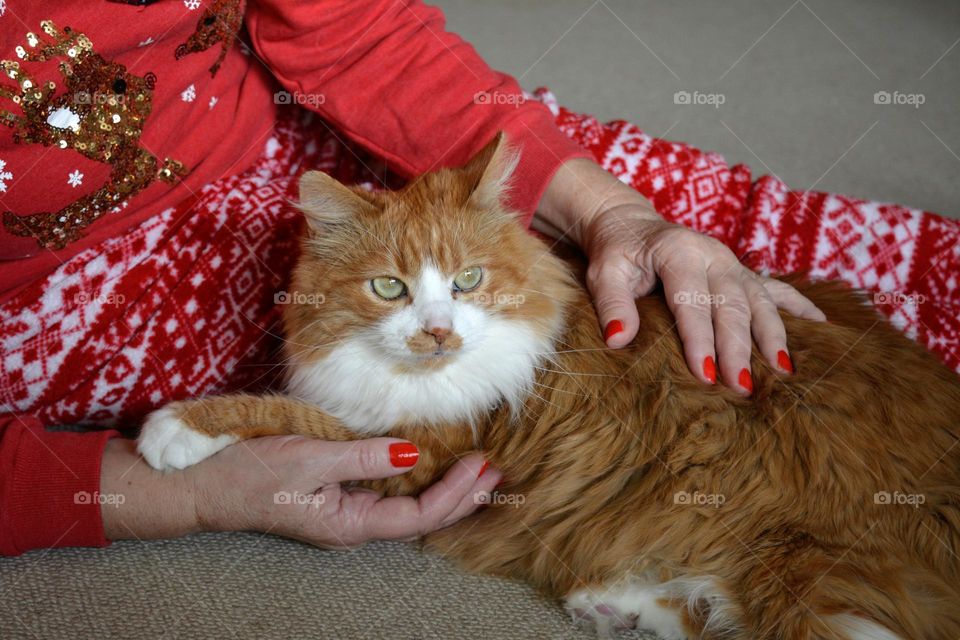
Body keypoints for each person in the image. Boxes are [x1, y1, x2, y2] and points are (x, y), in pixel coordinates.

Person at [0, 0, 829, 556]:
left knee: (723, 235)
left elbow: (358, 33)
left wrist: (618, 215)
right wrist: (180, 498)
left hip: (279, 130)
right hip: (64, 286)